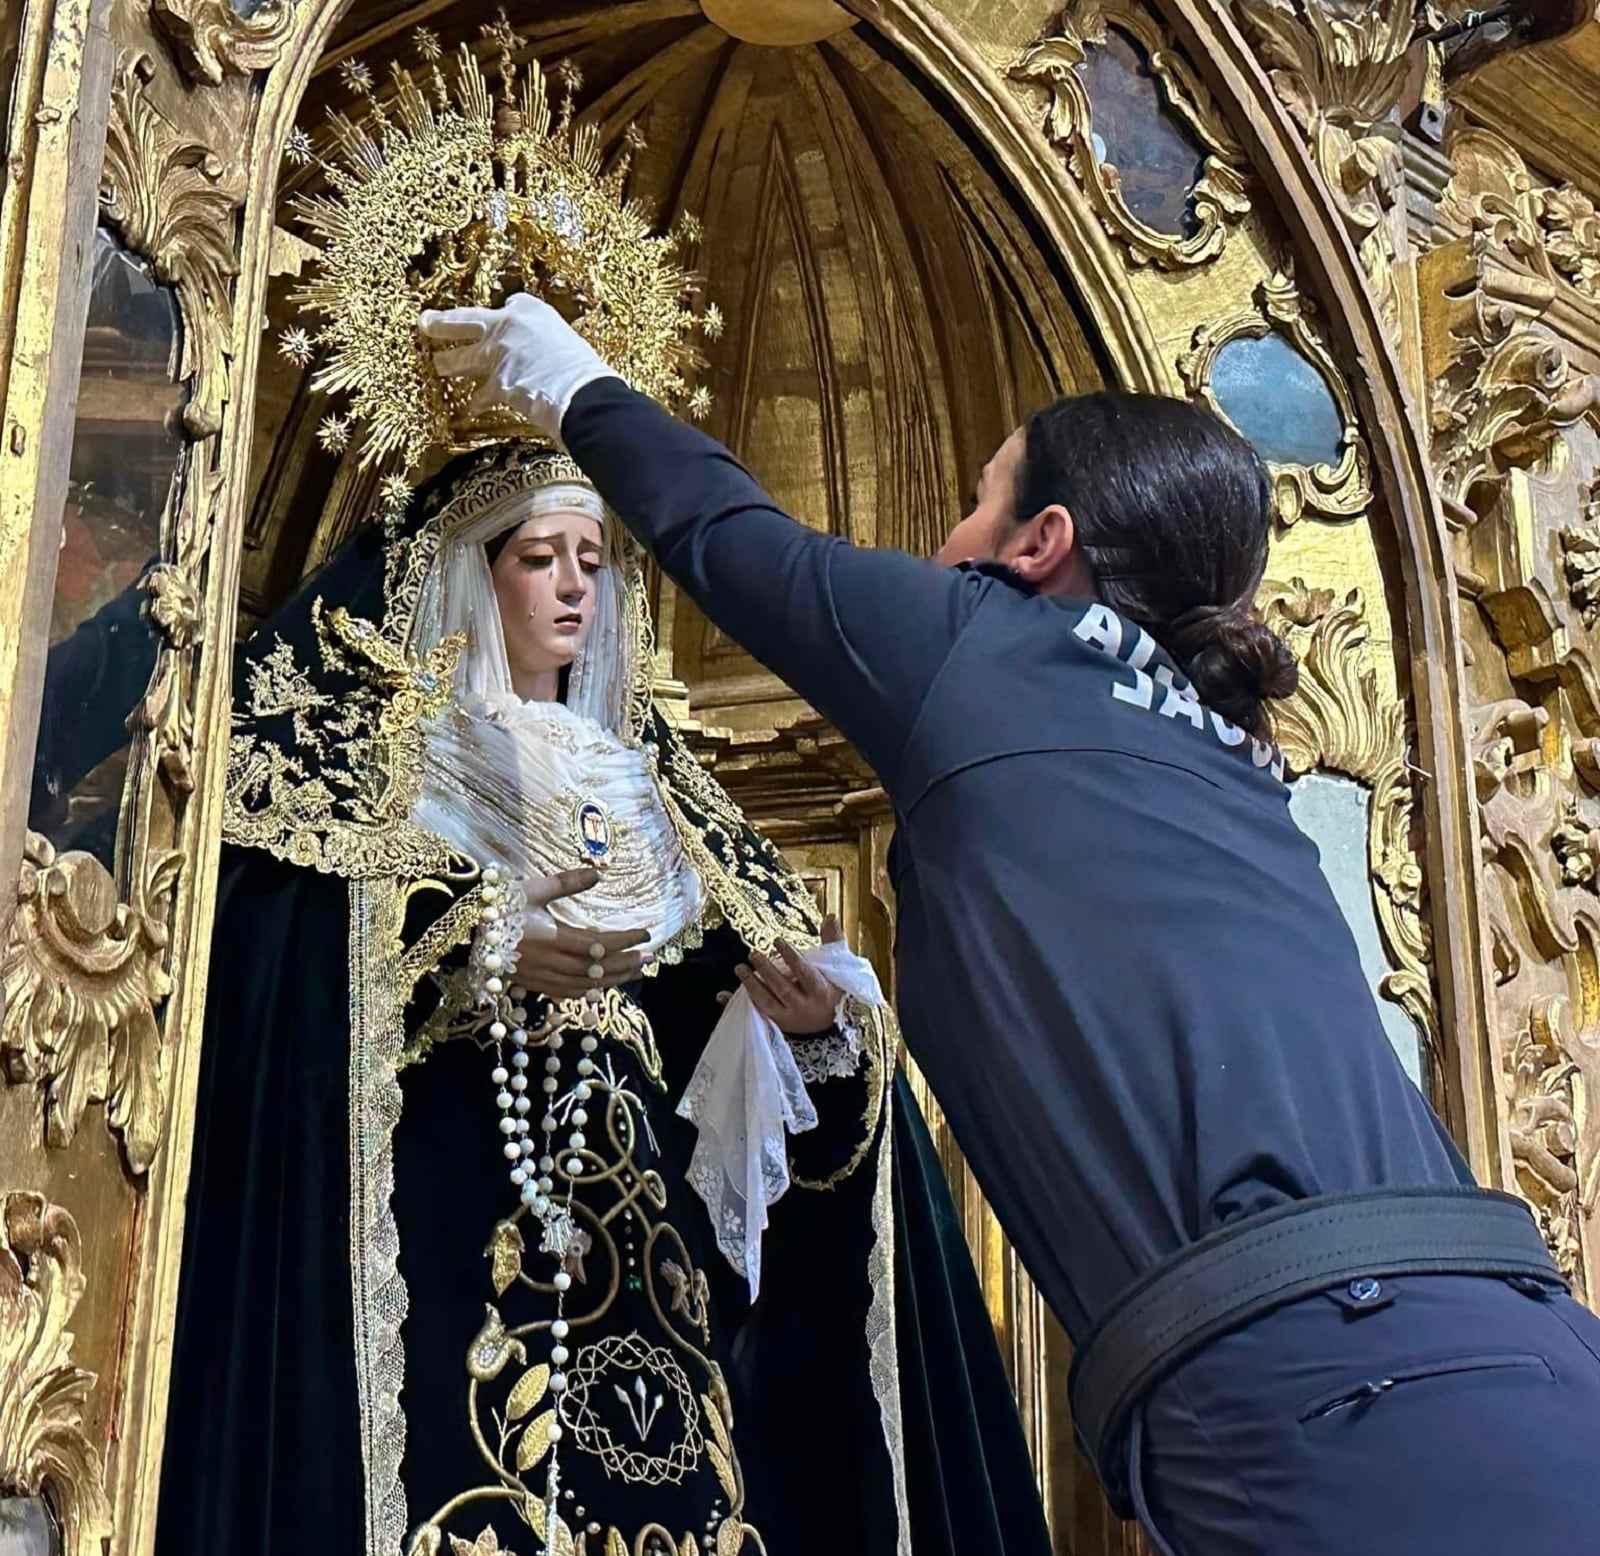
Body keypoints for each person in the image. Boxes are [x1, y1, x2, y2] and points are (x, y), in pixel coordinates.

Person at [418, 292, 1600, 1556]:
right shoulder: (1232, 758)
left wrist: (569, 378)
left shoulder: (985, 642)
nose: (941, 540)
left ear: (1038, 543)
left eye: (974, 503)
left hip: (1319, 1385)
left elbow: (728, 536)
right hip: (1534, 1343)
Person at [156, 439, 1052, 1556]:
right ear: (465, 571)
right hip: (450, 1203)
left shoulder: (653, 790)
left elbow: (732, 1021)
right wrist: (469, 940)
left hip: (645, 1249)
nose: (577, 581)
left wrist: (810, 1028)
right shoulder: (386, 760)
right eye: (540, 555)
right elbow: (255, 957)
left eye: (594, 555)